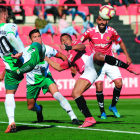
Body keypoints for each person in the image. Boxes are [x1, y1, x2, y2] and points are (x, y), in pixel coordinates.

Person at [45, 33, 140, 127]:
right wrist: (47, 59)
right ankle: (89, 119)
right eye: (62, 40)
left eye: (66, 39)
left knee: (98, 55)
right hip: (89, 72)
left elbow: (82, 46)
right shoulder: (69, 59)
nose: (64, 41)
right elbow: (59, 67)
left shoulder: (76, 43)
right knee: (75, 93)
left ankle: (128, 67)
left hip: (91, 61)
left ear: (71, 40)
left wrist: (69, 48)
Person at [77, 15, 134, 119]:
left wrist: (127, 56)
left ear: (107, 21)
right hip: (97, 63)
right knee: (99, 86)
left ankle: (112, 106)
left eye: (104, 20)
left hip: (109, 61)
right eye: (100, 20)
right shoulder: (90, 31)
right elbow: (79, 41)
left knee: (119, 83)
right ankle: (102, 112)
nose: (102, 22)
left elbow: (120, 41)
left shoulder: (112, 31)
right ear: (96, 21)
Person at [0, 5, 46, 133]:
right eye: (7, 14)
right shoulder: (10, 26)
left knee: (9, 94)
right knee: (37, 43)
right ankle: (42, 58)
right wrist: (20, 51)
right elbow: (10, 37)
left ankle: (11, 122)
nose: (8, 16)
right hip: (26, 62)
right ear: (4, 15)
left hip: (11, 70)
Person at [25, 30, 79, 124]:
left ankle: (73, 117)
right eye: (34, 37)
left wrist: (71, 66)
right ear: (30, 40)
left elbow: (61, 56)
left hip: (46, 77)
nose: (37, 38)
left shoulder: (48, 49)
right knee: (31, 107)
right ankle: (39, 110)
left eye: (39, 36)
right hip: (32, 81)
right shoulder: (26, 51)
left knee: (57, 94)